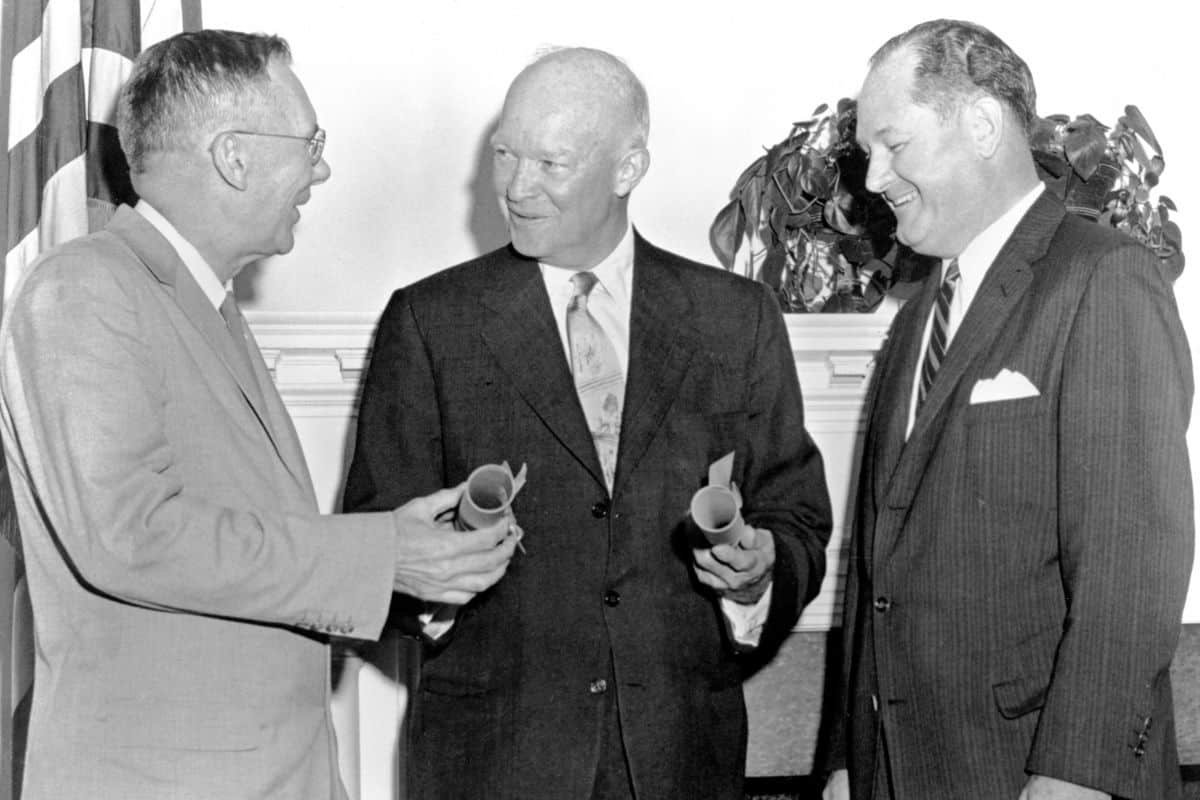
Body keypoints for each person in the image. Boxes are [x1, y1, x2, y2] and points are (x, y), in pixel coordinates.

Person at [0, 30, 517, 800]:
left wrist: (406, 560)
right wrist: (382, 555)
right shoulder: (85, 289)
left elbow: (247, 555)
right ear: (234, 157)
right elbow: (130, 535)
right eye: (309, 143)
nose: (323, 167)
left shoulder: (206, 307)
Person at [342, 47, 832, 800]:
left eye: (550, 162)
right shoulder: (429, 320)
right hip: (495, 764)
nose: (514, 186)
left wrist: (759, 576)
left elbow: (796, 518)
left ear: (628, 167)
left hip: (680, 763)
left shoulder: (737, 319)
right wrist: (436, 589)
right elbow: (374, 546)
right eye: (505, 155)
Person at [822, 18, 1194, 800]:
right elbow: (874, 572)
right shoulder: (916, 318)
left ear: (983, 124)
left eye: (895, 144)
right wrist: (846, 761)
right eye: (867, 153)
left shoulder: (1105, 277)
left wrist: (1074, 776)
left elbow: (1131, 560)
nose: (874, 177)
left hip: (1036, 776)